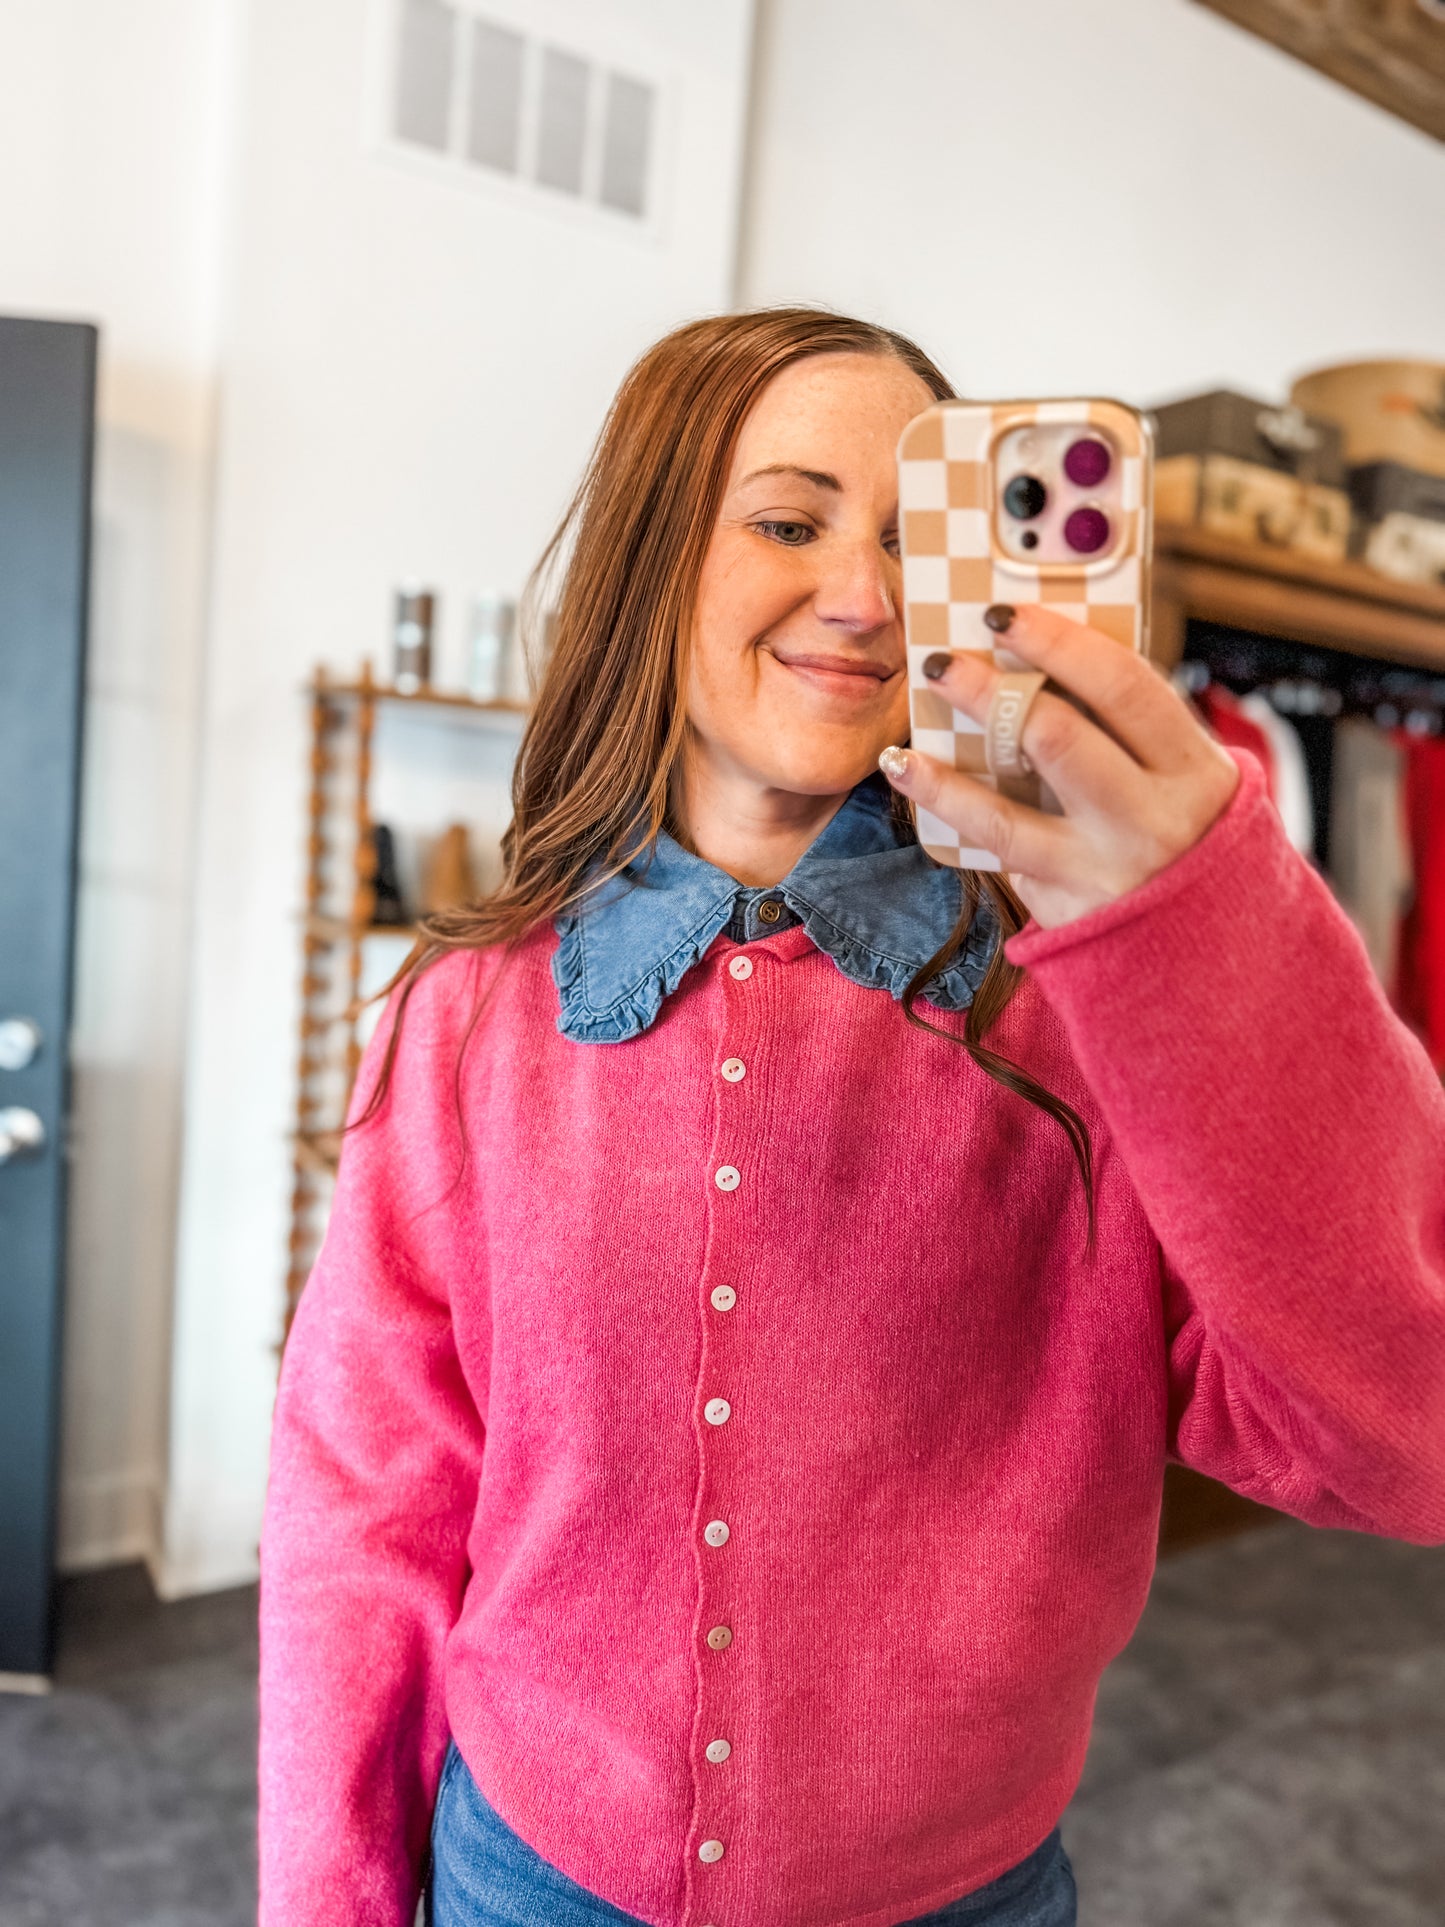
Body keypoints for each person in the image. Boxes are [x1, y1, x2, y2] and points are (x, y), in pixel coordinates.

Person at [258, 309, 1445, 1927]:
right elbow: (364, 1507)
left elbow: (1406, 1445)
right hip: (522, 1876)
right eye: (787, 521)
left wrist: (1208, 924)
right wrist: (326, 1899)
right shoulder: (465, 1016)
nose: (865, 596)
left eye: (911, 536)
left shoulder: (1083, 1020)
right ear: (653, 559)